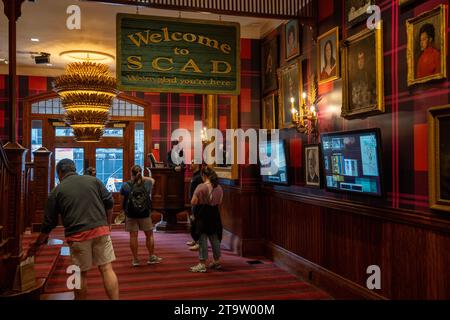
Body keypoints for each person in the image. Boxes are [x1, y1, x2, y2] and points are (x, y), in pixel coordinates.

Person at [23, 159, 119, 300]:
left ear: (59, 173)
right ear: (74, 169)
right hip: (101, 230)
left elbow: (48, 224)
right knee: (106, 268)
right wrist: (108, 224)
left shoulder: (56, 191)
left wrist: (37, 244)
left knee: (79, 273)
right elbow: (110, 202)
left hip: (78, 235)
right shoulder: (94, 181)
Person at [120, 165, 162, 267]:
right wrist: (142, 176)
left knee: (133, 236)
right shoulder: (147, 183)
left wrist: (124, 210)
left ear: (131, 173)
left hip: (131, 214)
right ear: (141, 173)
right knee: (149, 235)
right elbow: (152, 179)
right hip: (144, 213)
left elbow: (122, 201)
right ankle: (151, 256)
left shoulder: (125, 185)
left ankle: (135, 259)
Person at [190, 167, 224, 273]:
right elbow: (220, 201)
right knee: (214, 238)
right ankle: (217, 261)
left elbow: (193, 201)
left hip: (203, 214)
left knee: (202, 238)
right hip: (214, 214)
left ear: (204, 175)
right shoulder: (219, 187)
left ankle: (202, 263)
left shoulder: (201, 187)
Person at [186, 161, 203, 251]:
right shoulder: (195, 175)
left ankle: (199, 243)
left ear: (197, 164)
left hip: (197, 203)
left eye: (192, 163)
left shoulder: (199, 177)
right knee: (193, 223)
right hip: (193, 202)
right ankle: (195, 240)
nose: (190, 165)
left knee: (197, 223)